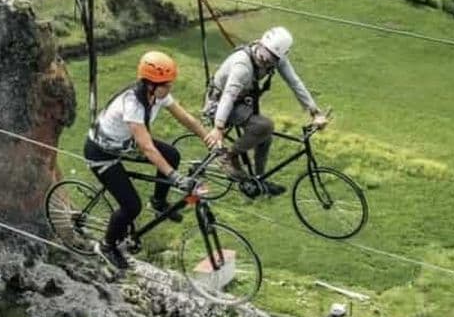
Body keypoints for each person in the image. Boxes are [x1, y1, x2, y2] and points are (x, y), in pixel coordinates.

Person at [85, 50, 215, 269]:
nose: (170, 88)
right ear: (151, 84)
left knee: (172, 154)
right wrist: (175, 177)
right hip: (102, 154)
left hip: (125, 145)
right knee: (131, 206)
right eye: (167, 85)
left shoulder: (157, 95)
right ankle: (107, 246)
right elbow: (147, 147)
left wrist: (208, 138)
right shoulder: (133, 104)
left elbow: (185, 118)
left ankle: (158, 203)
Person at [203, 26, 328, 196]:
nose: (266, 61)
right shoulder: (242, 65)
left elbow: (295, 82)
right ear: (260, 44)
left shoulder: (277, 59)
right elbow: (228, 96)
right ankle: (228, 156)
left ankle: (258, 180)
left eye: (272, 60)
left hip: (240, 101)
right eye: (265, 56)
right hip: (219, 105)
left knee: (265, 137)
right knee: (265, 125)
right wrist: (218, 128)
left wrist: (315, 112)